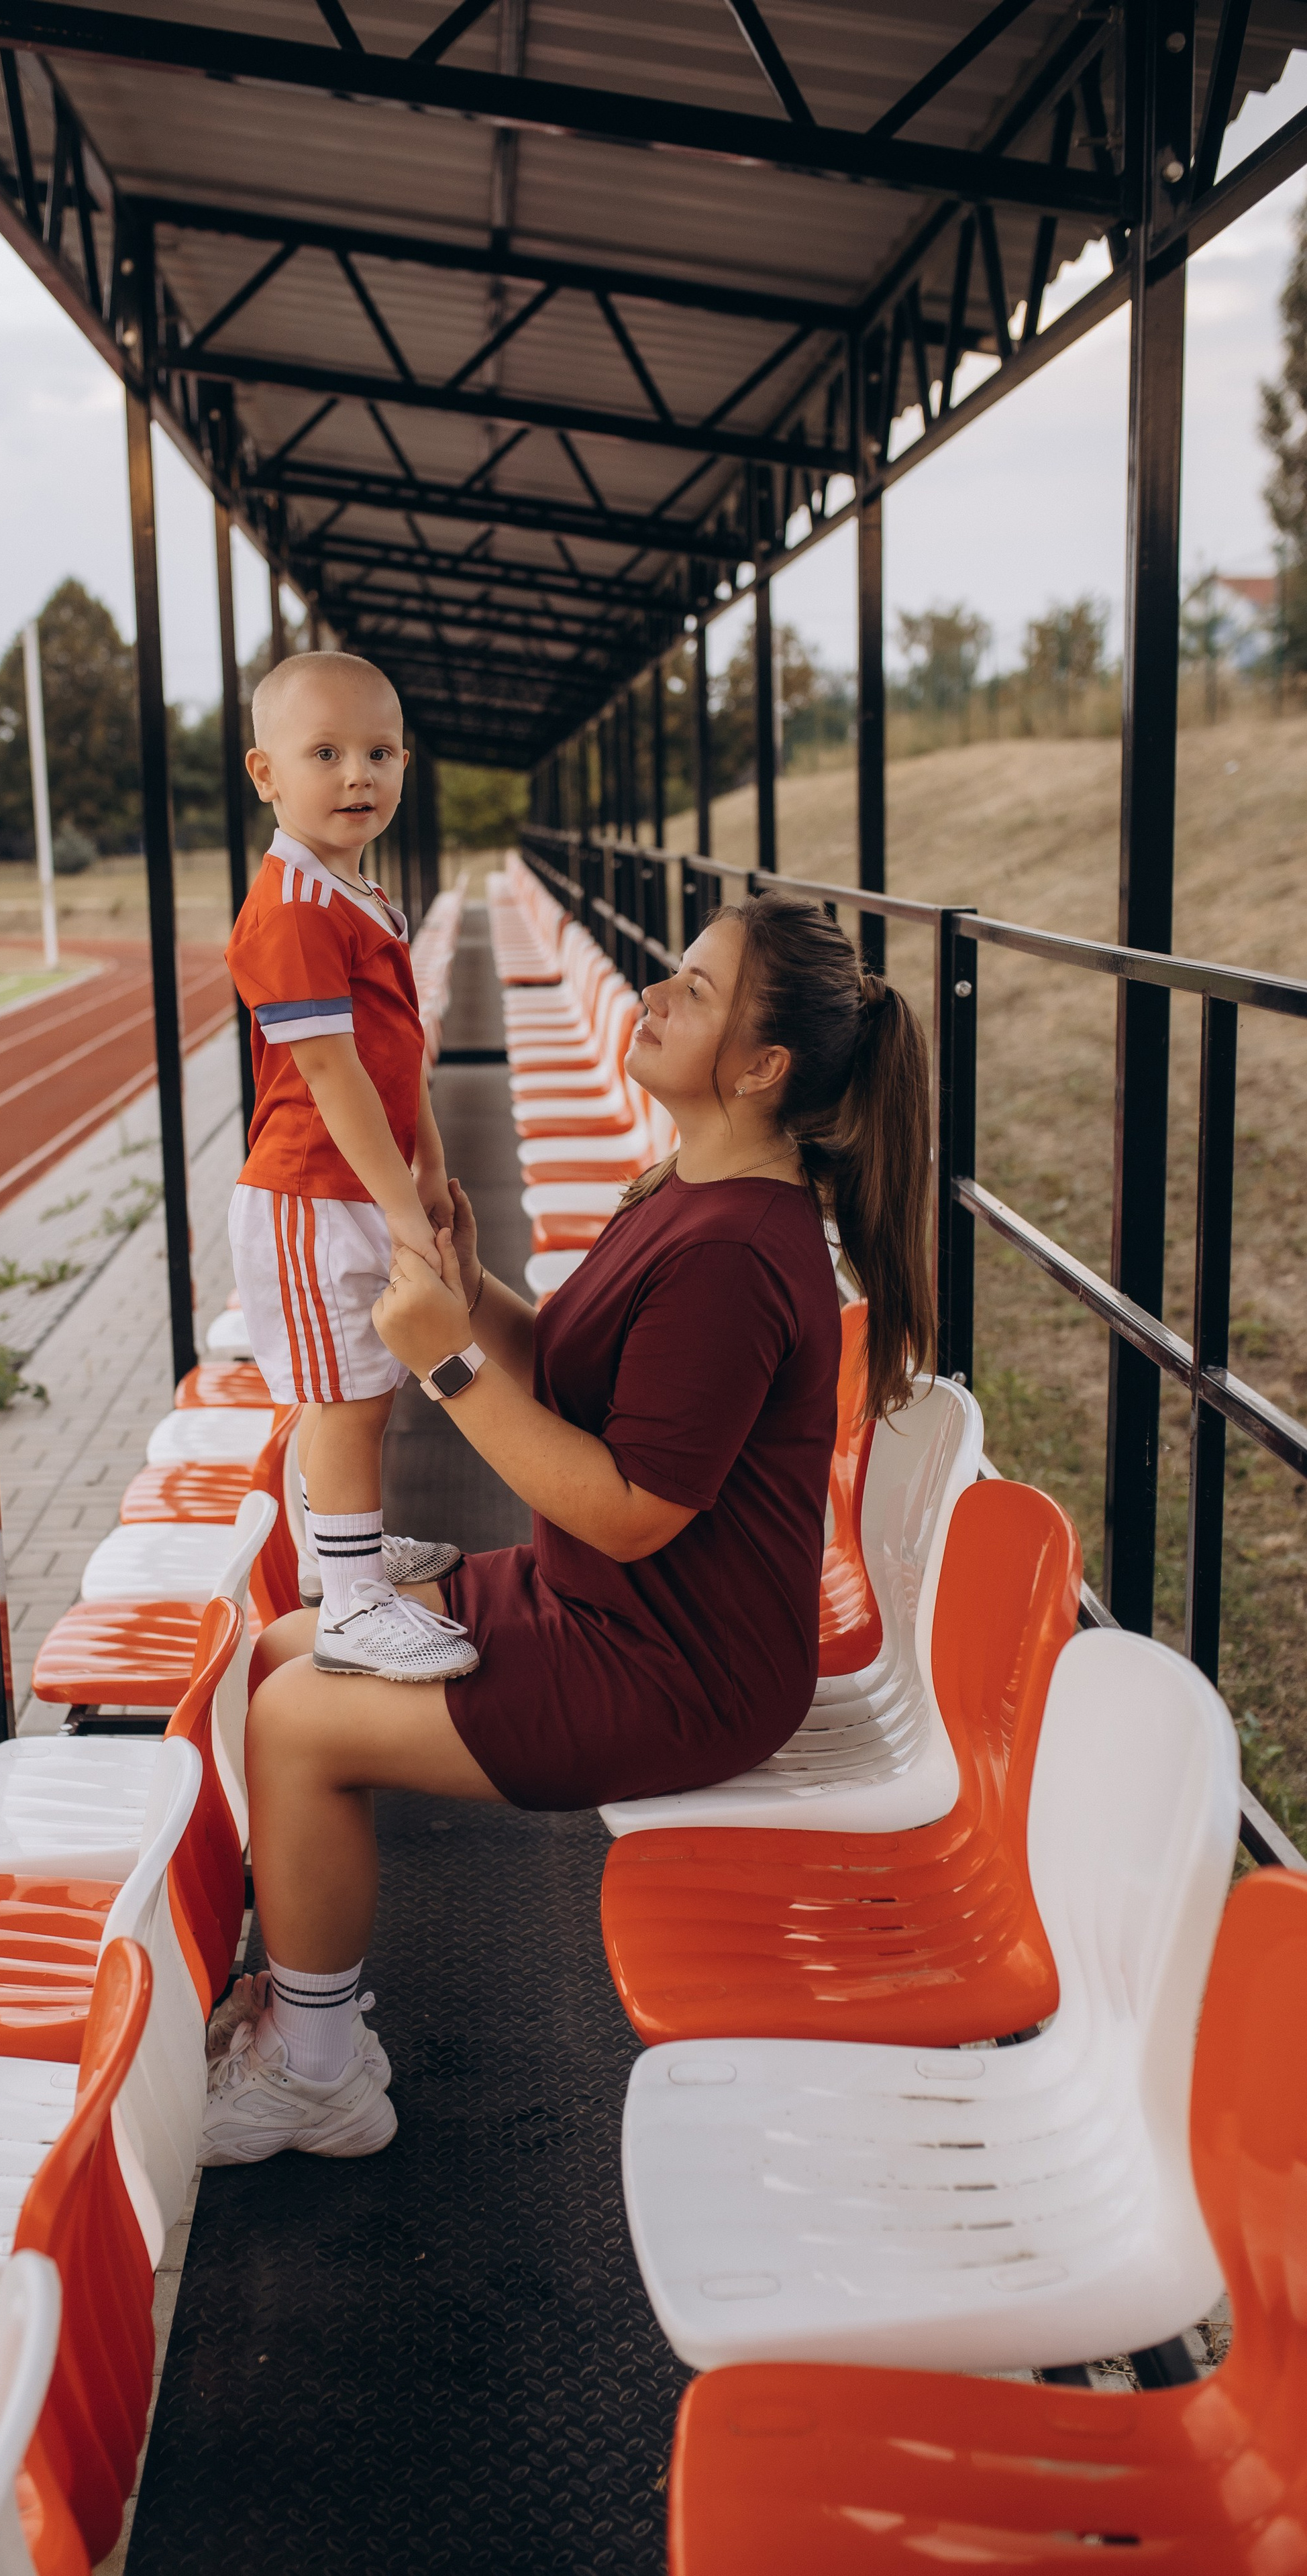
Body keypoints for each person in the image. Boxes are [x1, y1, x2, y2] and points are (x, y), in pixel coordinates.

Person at [201, 886, 935, 2167]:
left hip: (675, 1664)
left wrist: (446, 1371)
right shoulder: (691, 1187)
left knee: (296, 1718)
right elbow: (574, 1373)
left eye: (694, 994)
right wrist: (472, 1286)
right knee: (281, 1651)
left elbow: (634, 1508)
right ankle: (305, 2005)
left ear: (761, 1070)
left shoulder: (735, 1254)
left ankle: (322, 2075)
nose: (655, 997)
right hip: (600, 1602)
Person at [225, 649, 478, 1686]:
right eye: (323, 753)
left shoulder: (358, 892)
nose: (356, 775)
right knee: (346, 1400)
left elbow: (399, 1051)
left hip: (354, 1186)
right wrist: (405, 1216)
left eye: (378, 752)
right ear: (266, 774)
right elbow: (332, 1079)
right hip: (307, 1194)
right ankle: (351, 1603)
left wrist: (430, 1166)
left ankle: (354, 1551)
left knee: (368, 1386)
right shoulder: (289, 907)